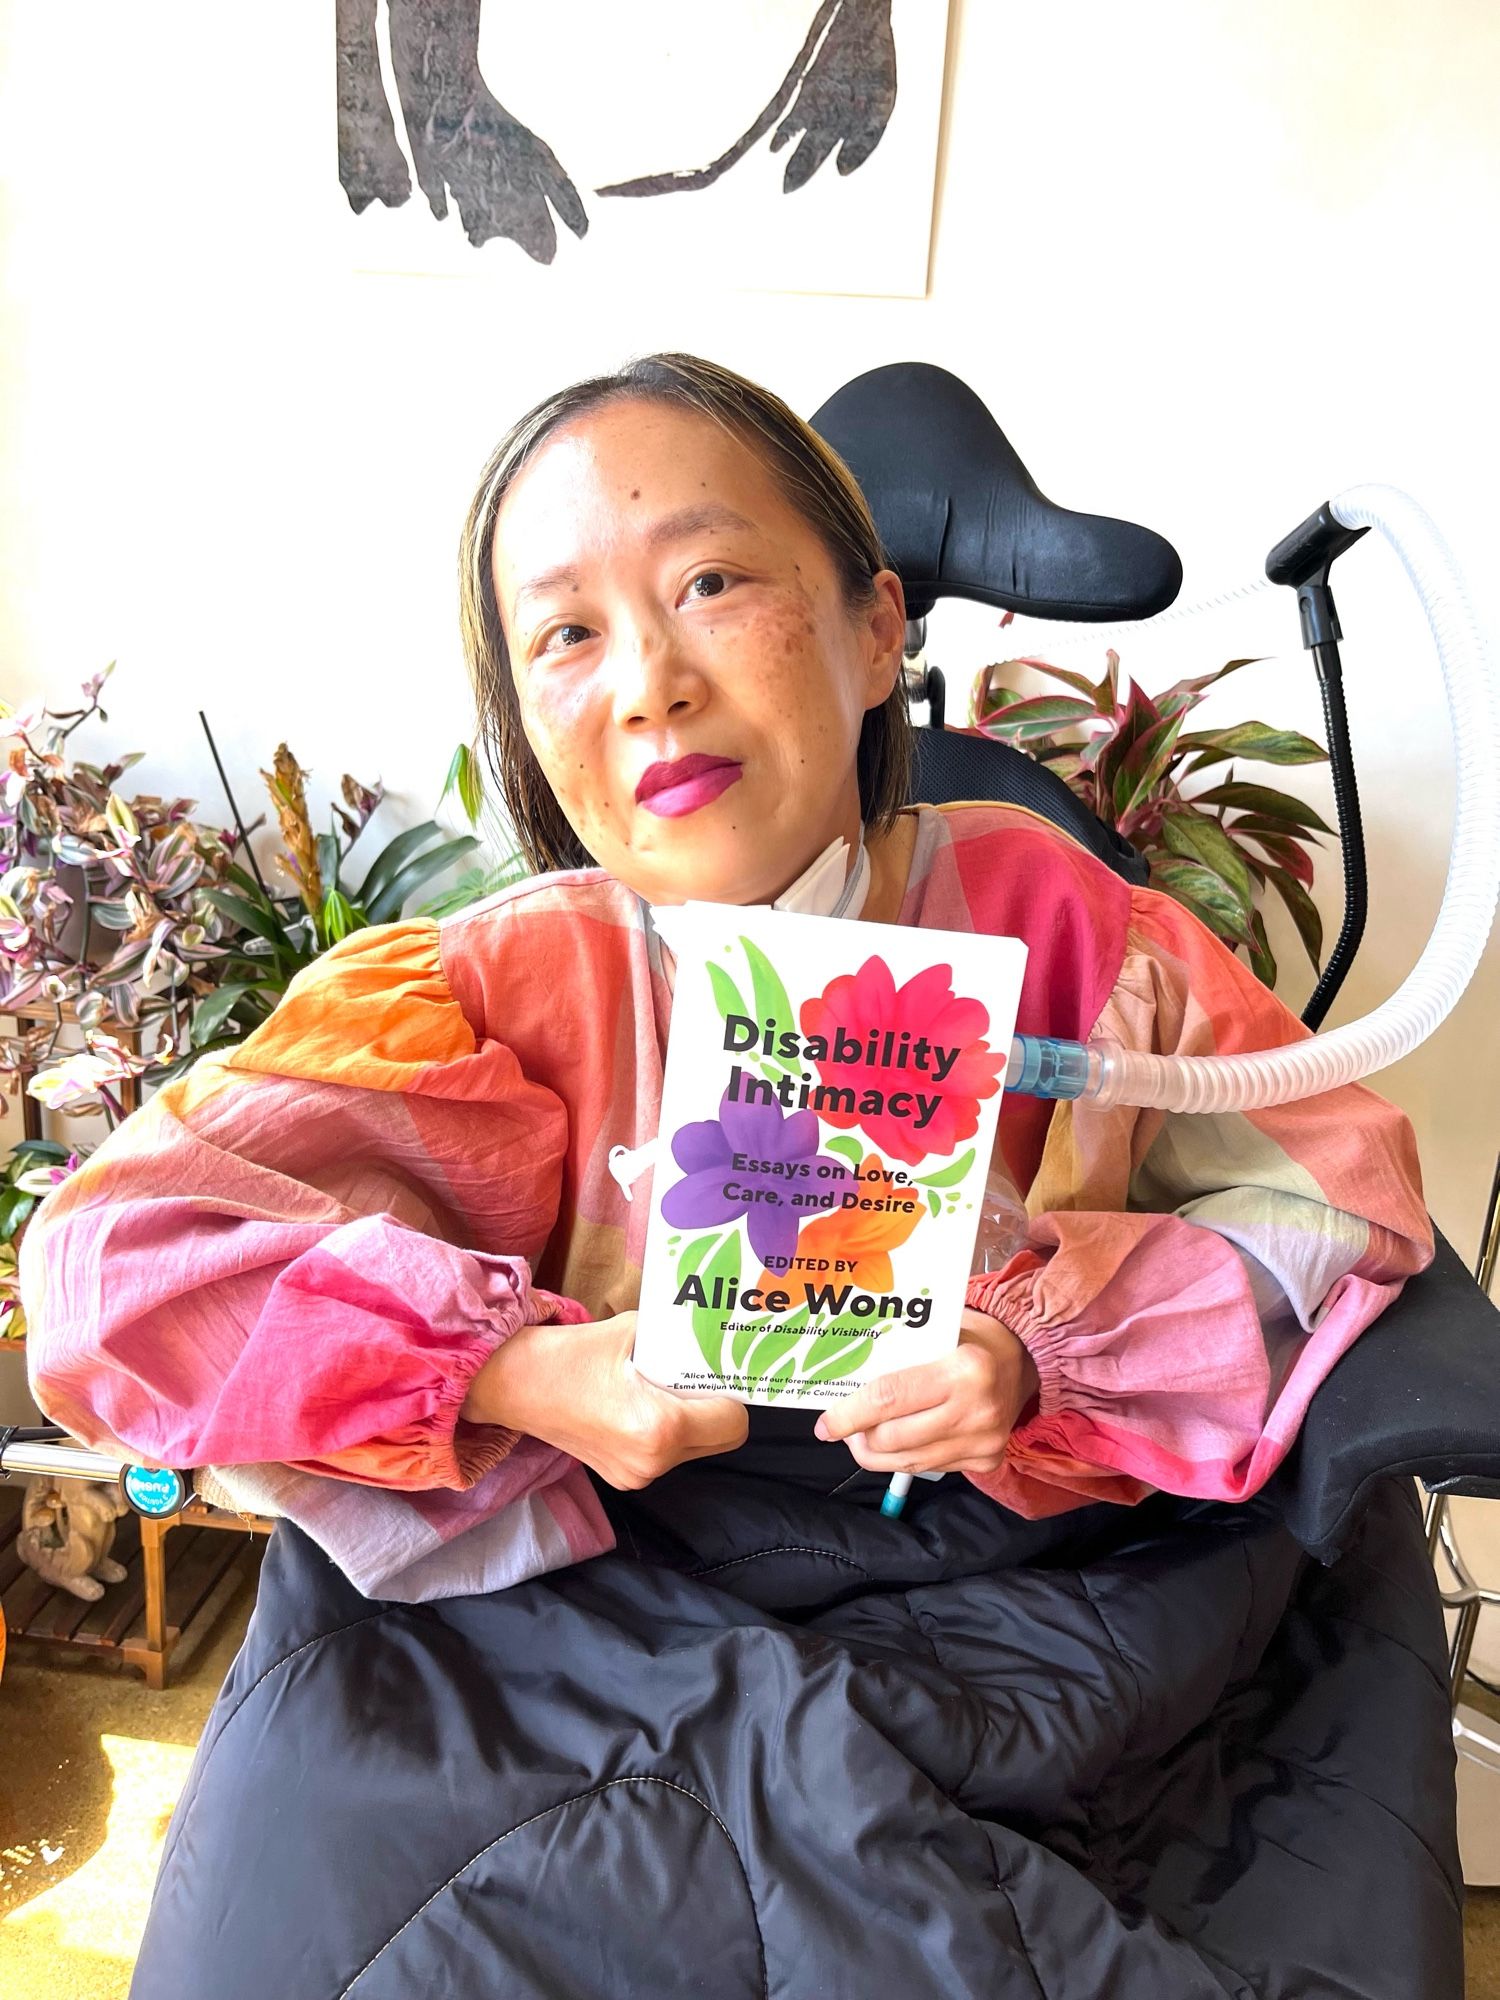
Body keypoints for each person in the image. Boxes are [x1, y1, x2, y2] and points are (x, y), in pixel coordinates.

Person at [18, 355, 1449, 1997]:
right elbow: (111, 1272)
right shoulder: (485, 992)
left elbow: (1338, 1198)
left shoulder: (1075, 934)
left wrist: (1042, 1357)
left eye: (709, 582)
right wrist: (515, 1367)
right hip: (588, 1582)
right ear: (528, 732)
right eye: (567, 633)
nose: (649, 685)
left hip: (1032, 1589)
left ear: (874, 631)